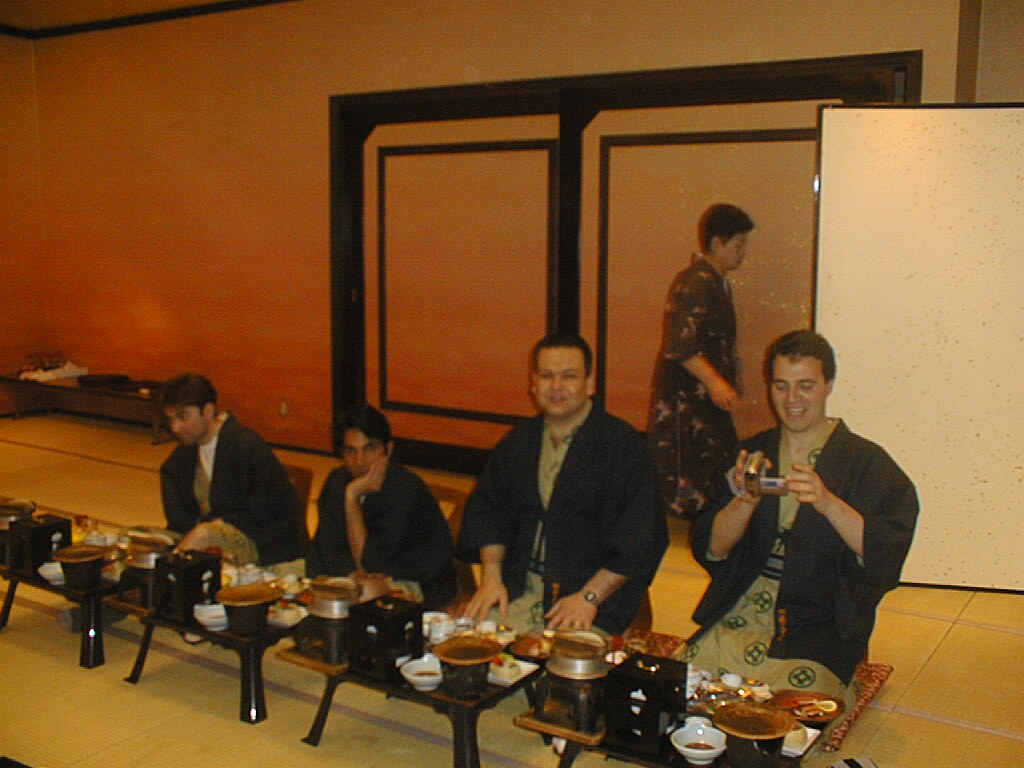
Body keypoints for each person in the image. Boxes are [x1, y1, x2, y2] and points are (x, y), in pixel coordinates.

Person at [676, 330, 919, 702]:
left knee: (795, 713)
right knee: (684, 691)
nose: (792, 399)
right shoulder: (752, 454)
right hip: (744, 606)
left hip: (819, 620)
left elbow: (885, 551)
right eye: (781, 386)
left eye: (806, 386)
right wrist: (744, 502)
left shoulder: (867, 462)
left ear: (828, 384)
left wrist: (828, 503)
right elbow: (713, 548)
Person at [458, 331, 668, 636]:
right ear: (533, 383)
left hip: (589, 602)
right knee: (466, 648)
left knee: (562, 663)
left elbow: (641, 538)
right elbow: (487, 511)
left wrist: (589, 597)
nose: (556, 387)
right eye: (546, 376)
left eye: (569, 376)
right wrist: (491, 579)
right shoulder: (519, 442)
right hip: (517, 590)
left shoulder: (623, 447)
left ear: (589, 383)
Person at [648, 203, 754, 518]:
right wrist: (715, 381)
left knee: (714, 461)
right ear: (717, 243)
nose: (742, 252)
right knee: (688, 468)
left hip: (705, 396)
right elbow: (681, 345)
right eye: (738, 244)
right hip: (688, 397)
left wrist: (732, 377)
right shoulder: (697, 281)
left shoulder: (715, 281)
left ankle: (710, 525)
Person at [306, 405, 457, 610]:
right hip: (366, 573)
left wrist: (352, 500)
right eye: (350, 451)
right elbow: (325, 547)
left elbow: (372, 564)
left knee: (364, 593)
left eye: (370, 448)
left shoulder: (404, 489)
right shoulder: (336, 481)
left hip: (417, 582)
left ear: (388, 449)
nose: (360, 461)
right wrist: (351, 574)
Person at [159, 373, 306, 570]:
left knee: (204, 534)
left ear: (208, 411)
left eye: (182, 417)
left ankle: (169, 578)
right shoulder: (181, 458)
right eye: (170, 419)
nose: (175, 427)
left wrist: (220, 523)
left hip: (259, 538)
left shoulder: (247, 446)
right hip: (208, 533)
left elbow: (269, 511)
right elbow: (179, 519)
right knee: (146, 536)